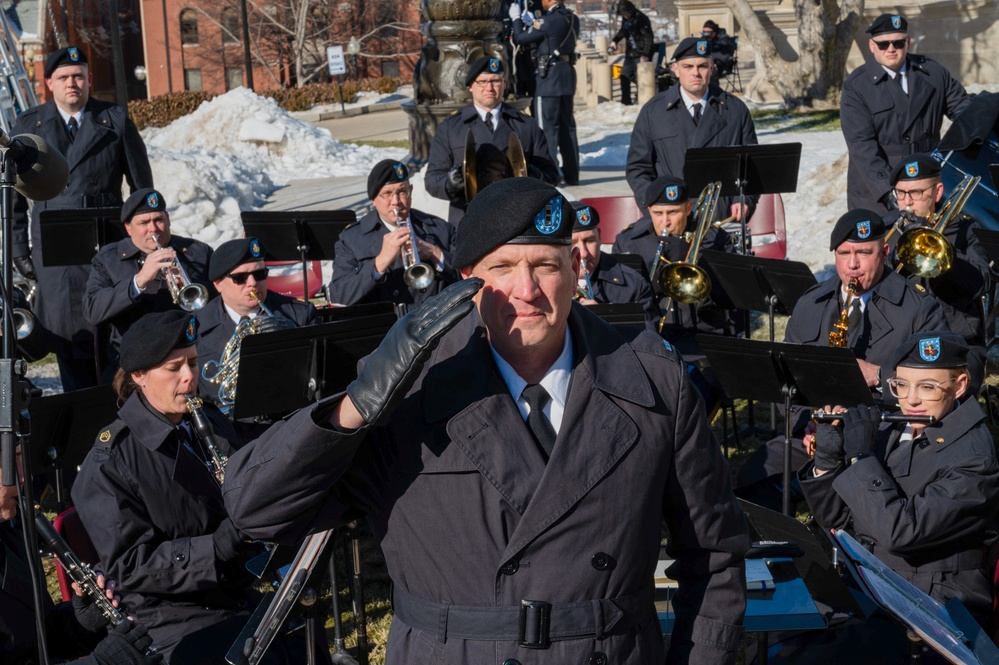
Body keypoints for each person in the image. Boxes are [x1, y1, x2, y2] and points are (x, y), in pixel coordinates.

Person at [221, 177, 751, 664]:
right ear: (467, 281)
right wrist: (356, 405)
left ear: (574, 269)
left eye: (545, 264)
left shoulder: (652, 382)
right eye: (502, 268)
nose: (526, 290)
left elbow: (713, 557)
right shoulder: (410, 389)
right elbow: (257, 511)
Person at [71, 311, 316, 664]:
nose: (189, 378)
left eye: (193, 363)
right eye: (174, 368)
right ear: (139, 375)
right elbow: (129, 565)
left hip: (233, 588)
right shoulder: (110, 462)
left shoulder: (206, 416)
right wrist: (216, 546)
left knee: (308, 642)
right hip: (169, 617)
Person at [736, 209, 948, 511]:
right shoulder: (811, 304)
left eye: (864, 252)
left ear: (885, 252)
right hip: (818, 434)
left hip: (884, 437)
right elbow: (789, 379)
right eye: (844, 253)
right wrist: (805, 426)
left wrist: (879, 374)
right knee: (754, 479)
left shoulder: (918, 309)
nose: (853, 265)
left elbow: (938, 384)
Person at [802, 331, 998, 630]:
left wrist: (861, 459)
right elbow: (836, 518)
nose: (912, 400)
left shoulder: (975, 459)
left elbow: (901, 533)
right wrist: (828, 463)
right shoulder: (896, 426)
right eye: (901, 386)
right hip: (870, 581)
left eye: (928, 387)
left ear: (959, 386)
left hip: (934, 604)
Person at [11, 46, 154, 391]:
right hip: (55, 253)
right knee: (68, 339)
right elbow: (14, 198)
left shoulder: (115, 119)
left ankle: (119, 413)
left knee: (114, 335)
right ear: (49, 83)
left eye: (78, 76)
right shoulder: (29, 125)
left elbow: (141, 191)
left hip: (105, 245)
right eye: (63, 78)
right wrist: (19, 251)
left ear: (89, 80)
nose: (71, 83)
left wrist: (146, 238)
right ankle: (82, 417)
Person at [2, 459, 160, 665]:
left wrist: (79, 623)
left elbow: (30, 640)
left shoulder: (11, 535)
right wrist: (103, 662)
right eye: (10, 461)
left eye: (24, 459)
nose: (27, 477)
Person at [840, 14, 971, 214]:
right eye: (883, 44)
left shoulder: (933, 72)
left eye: (898, 43)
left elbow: (964, 110)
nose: (891, 49)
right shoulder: (857, 85)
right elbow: (862, 147)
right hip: (880, 185)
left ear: (908, 42)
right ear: (871, 45)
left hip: (927, 179)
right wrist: (889, 192)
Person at [84, 188, 214, 377]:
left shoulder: (197, 253)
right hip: (134, 364)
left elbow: (220, 302)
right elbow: (92, 310)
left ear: (168, 220)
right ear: (128, 227)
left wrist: (189, 286)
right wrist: (138, 281)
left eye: (158, 220)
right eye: (144, 222)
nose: (153, 229)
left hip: (187, 359)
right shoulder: (108, 259)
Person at [626, 37, 757, 222]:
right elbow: (638, 168)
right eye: (688, 66)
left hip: (721, 218)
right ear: (675, 70)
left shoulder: (735, 110)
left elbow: (750, 165)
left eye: (702, 66)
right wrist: (655, 206)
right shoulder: (653, 112)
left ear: (711, 69)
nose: (696, 73)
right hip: (672, 219)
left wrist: (743, 200)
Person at [425, 58, 558, 223]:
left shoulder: (526, 125)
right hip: (470, 219)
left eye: (495, 81)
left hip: (516, 219)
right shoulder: (451, 127)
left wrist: (533, 176)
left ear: (504, 83)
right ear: (471, 86)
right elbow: (432, 179)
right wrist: (450, 184)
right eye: (482, 82)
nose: (489, 88)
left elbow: (551, 175)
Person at [883, 154, 991, 358]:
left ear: (938, 192)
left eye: (916, 192)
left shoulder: (964, 229)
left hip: (953, 335)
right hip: (898, 334)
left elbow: (980, 283)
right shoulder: (886, 228)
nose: (907, 202)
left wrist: (941, 250)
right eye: (900, 193)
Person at [612, 175, 737, 344]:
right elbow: (619, 296)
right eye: (658, 213)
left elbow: (732, 297)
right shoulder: (629, 241)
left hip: (703, 331)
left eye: (673, 212)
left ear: (688, 208)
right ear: (649, 210)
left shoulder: (714, 239)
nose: (666, 222)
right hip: (649, 334)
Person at [196, 237, 318, 405]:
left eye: (260, 274)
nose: (253, 283)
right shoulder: (199, 324)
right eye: (240, 278)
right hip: (228, 427)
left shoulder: (300, 315)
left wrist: (295, 340)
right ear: (218, 284)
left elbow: (318, 379)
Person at [331, 160, 460, 309]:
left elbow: (470, 277)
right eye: (387, 194)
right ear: (374, 199)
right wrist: (379, 262)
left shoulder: (440, 228)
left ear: (410, 191)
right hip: (384, 328)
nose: (396, 202)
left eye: (402, 192)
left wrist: (435, 253)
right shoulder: (351, 239)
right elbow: (339, 297)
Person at [510, 0, 581, 186]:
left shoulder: (547, 21)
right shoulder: (573, 18)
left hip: (549, 79)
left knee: (546, 128)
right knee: (568, 128)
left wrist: (517, 19)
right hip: (567, 75)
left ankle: (551, 175)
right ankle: (572, 174)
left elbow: (520, 38)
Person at [568, 200, 658, 328]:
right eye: (572, 243)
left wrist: (605, 319)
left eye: (590, 240)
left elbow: (650, 341)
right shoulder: (544, 283)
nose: (583, 253)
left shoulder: (634, 285)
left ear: (599, 237)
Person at [608, 0, 654, 106]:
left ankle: (642, 100)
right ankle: (626, 102)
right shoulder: (626, 19)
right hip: (630, 53)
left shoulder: (641, 19)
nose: (625, 17)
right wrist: (614, 41)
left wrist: (645, 55)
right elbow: (623, 31)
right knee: (624, 76)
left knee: (640, 77)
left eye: (626, 14)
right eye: (623, 15)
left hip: (642, 53)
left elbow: (648, 38)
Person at [701, 20, 737, 85]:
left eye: (709, 33)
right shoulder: (704, 39)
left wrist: (715, 44)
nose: (707, 34)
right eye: (704, 32)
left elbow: (726, 51)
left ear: (714, 32)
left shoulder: (723, 37)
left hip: (722, 64)